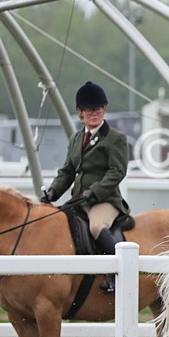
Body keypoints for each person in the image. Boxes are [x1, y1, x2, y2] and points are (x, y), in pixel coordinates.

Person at [41, 81, 130, 293]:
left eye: (99, 109)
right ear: (81, 112)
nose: (95, 113)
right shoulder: (76, 138)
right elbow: (68, 171)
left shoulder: (115, 138)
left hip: (106, 200)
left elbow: (117, 171)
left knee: (96, 227)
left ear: (104, 109)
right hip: (80, 199)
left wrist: (96, 191)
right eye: (90, 109)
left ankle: (118, 274)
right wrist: (53, 192)